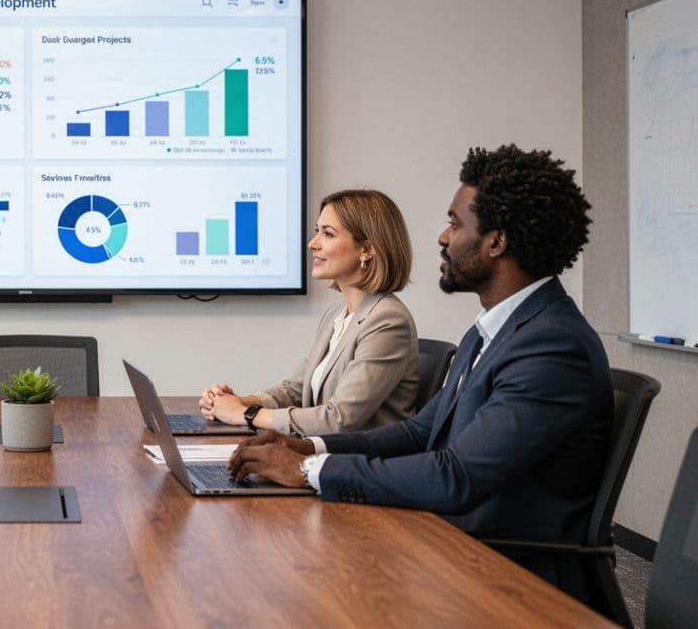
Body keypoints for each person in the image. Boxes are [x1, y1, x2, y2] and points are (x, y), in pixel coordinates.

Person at [228, 145, 612, 603]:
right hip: (449, 539)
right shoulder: (492, 332)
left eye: (455, 224)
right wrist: (309, 446)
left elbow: (457, 476)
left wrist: (308, 469)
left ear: (497, 242)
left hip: (507, 576)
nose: (443, 238)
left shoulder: (552, 346)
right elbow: (419, 432)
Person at [198, 189, 419, 435]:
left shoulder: (388, 321)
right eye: (317, 231)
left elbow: (338, 419)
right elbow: (295, 391)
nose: (312, 244)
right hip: (322, 452)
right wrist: (236, 402)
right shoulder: (336, 316)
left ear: (366, 250)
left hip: (360, 458)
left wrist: (245, 414)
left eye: (328, 234)